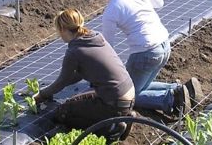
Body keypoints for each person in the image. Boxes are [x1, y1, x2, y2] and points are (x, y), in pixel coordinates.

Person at [83, 0, 200, 120]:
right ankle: (180, 90)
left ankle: (172, 99)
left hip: (145, 53)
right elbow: (159, 2)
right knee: (141, 86)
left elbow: (108, 49)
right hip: (164, 45)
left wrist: (98, 74)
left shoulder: (111, 11)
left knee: (126, 96)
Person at [34, 8, 136, 137]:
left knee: (63, 113)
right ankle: (124, 116)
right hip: (129, 94)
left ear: (63, 30)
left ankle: (112, 127)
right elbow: (78, 75)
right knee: (74, 101)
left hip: (113, 101)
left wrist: (41, 95)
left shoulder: (75, 51)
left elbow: (62, 81)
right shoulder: (95, 37)